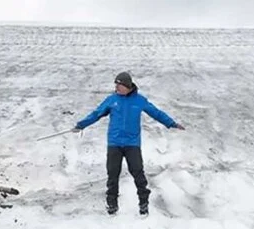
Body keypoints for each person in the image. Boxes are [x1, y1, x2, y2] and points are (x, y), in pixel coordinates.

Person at [73, 72, 185, 216]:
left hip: (132, 144)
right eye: (116, 85)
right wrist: (81, 125)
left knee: (138, 173)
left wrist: (171, 123)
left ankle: (143, 204)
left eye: (119, 85)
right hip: (114, 143)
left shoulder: (139, 100)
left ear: (127, 86)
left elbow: (156, 113)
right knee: (113, 175)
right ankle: (112, 205)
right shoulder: (111, 100)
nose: (116, 88)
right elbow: (96, 114)